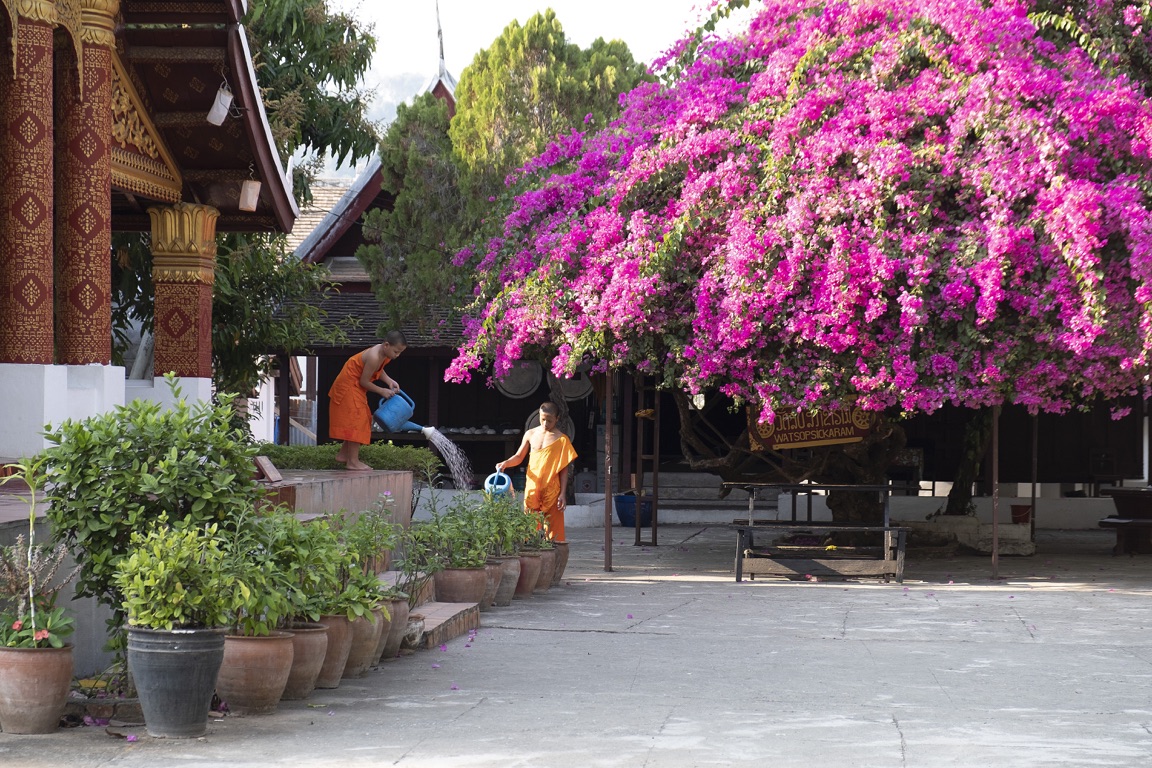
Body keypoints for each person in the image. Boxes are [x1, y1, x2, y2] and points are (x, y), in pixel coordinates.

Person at [496, 401, 578, 542]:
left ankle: (555, 561)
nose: (546, 423)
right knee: (529, 530)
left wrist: (563, 494)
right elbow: (519, 456)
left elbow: (564, 470)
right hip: (532, 488)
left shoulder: (562, 439)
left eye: (550, 420)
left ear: (557, 419)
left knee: (555, 535)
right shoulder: (530, 434)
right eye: (543, 419)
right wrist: (506, 463)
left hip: (552, 489)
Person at [328, 331, 407, 470]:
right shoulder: (374, 356)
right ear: (386, 345)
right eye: (396, 351)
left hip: (355, 386)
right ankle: (352, 462)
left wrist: (389, 381)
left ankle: (344, 454)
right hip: (349, 386)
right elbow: (364, 381)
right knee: (357, 420)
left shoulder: (383, 353)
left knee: (363, 417)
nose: (397, 355)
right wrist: (382, 391)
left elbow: (377, 369)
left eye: (400, 352)